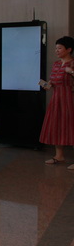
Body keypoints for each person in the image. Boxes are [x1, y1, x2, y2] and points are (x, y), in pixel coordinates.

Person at [41, 36, 74, 167]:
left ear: (69, 49)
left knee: (71, 126)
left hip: (69, 98)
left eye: (60, 48)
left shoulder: (72, 63)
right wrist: (48, 84)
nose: (57, 51)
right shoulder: (56, 64)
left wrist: (71, 71)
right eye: (56, 48)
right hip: (56, 98)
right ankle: (59, 156)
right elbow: (53, 80)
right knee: (57, 125)